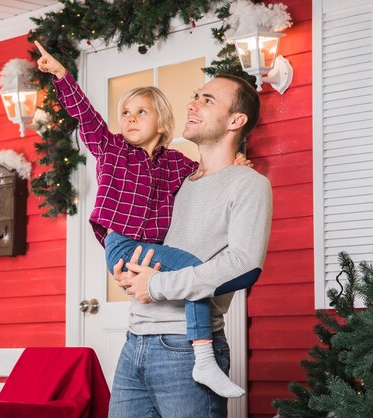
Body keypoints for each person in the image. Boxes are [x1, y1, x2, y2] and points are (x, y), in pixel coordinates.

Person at [34, 40, 253, 399]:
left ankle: (201, 356)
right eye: (126, 113)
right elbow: (85, 116)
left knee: (189, 275)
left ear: (163, 123)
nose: (130, 119)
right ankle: (204, 356)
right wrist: (61, 75)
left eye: (141, 112)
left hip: (151, 250)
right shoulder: (113, 149)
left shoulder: (177, 164)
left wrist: (237, 163)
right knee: (192, 269)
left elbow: (211, 169)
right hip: (121, 243)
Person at [110, 74, 272, 417]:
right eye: (196, 96)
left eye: (208, 100)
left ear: (236, 121)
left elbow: (244, 265)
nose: (192, 104)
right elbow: (140, 235)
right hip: (135, 341)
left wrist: (156, 284)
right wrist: (130, 273)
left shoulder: (248, 184)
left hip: (186, 349)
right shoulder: (174, 181)